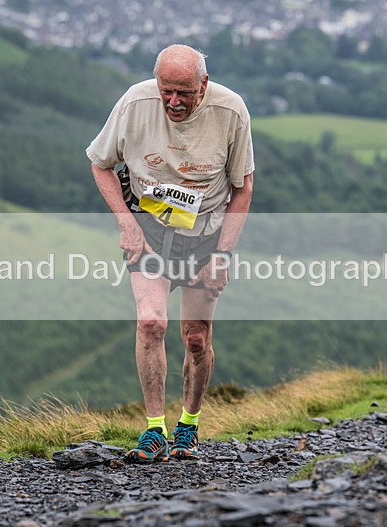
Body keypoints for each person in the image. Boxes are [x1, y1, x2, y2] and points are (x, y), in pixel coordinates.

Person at [86, 44, 255, 463]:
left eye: (183, 92)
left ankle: (189, 426)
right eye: (167, 91)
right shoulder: (135, 102)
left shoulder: (231, 111)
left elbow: (244, 187)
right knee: (150, 323)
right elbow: (99, 163)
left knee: (196, 339)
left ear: (204, 85)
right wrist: (126, 222)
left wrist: (224, 255)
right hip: (150, 232)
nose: (174, 102)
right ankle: (154, 430)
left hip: (204, 238)